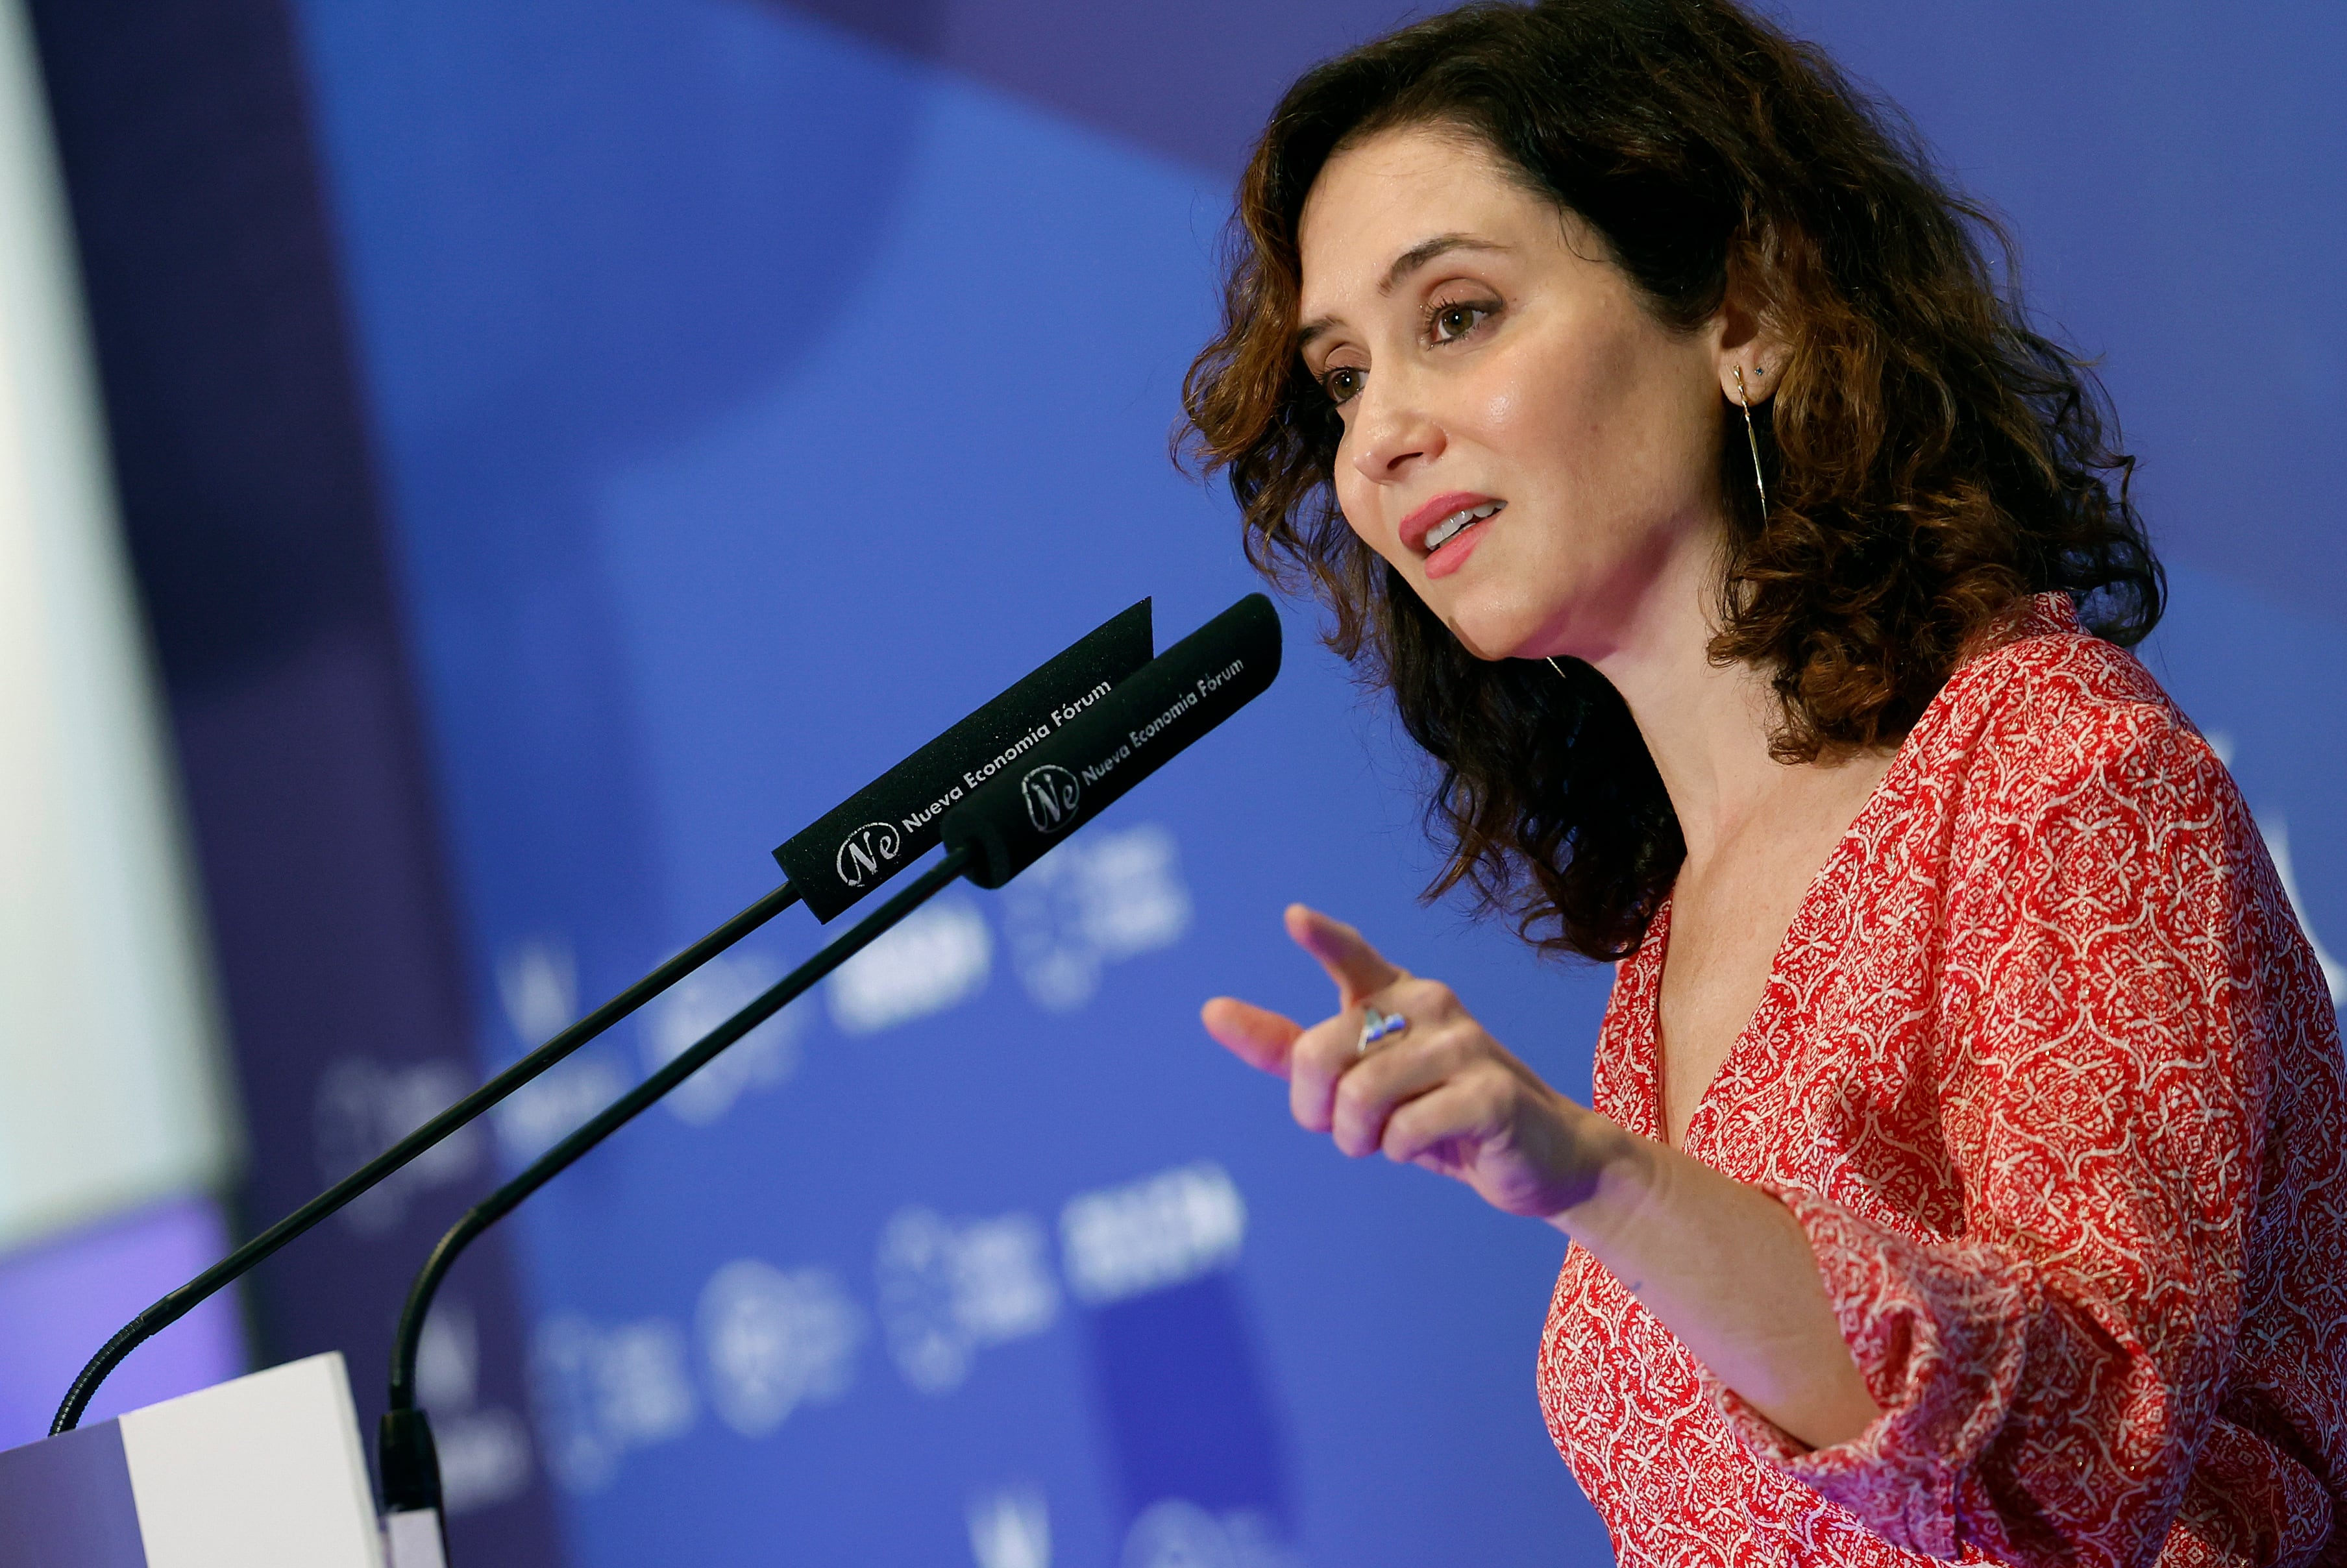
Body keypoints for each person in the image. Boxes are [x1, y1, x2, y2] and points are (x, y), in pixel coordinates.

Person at [1178, 2, 2347, 1563]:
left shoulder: (2063, 776)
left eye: (1453, 314)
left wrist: (1602, 1183)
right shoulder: (1674, 931)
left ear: (1744, 311)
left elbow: (2082, 1453)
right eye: (1339, 376)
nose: (1378, 432)